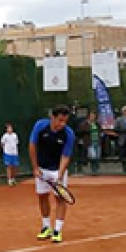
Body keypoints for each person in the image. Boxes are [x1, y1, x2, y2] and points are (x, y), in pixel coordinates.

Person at [29, 105, 76, 244]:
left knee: (60, 198)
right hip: (42, 169)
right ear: (53, 117)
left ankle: (57, 231)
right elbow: (32, 145)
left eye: (65, 121)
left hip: (57, 170)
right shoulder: (40, 126)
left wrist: (60, 176)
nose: (62, 124)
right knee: (42, 196)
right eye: (60, 120)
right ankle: (46, 227)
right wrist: (35, 168)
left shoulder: (68, 133)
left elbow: (65, 156)